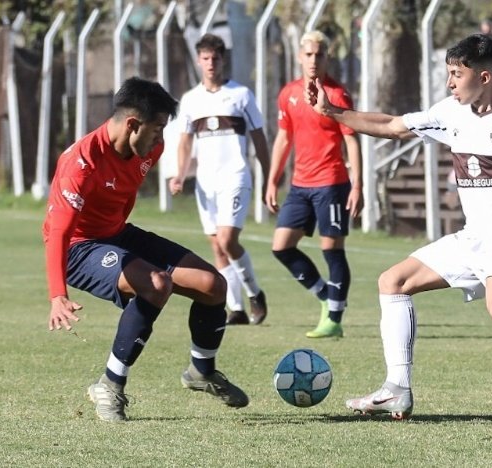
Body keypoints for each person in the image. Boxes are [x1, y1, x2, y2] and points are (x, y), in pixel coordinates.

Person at [305, 34, 492, 431]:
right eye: (448, 73)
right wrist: (332, 111)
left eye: (455, 74)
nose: (449, 82)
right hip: (475, 234)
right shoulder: (451, 111)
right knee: (392, 282)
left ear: (484, 76)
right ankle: (397, 387)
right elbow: (393, 126)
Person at [43, 77, 248, 422]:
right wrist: (56, 295)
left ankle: (201, 371)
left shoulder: (150, 149)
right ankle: (109, 385)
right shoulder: (80, 163)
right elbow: (60, 232)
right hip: (78, 248)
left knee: (214, 286)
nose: (161, 138)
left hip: (118, 234)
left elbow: (124, 193)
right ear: (133, 125)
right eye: (157, 128)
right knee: (155, 284)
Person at [265, 30, 363, 339]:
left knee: (331, 248)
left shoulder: (337, 95)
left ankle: (334, 318)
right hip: (299, 185)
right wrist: (272, 179)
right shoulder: (289, 93)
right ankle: (325, 295)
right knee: (281, 247)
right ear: (299, 56)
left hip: (331, 183)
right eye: (308, 54)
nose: (313, 60)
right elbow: (284, 138)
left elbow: (352, 140)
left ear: (326, 57)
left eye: (319, 54)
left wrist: (358, 185)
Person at [170, 33, 270, 326]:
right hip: (206, 182)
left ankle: (254, 293)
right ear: (199, 61)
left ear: (223, 59)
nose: (211, 63)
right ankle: (236, 309)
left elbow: (260, 137)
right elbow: (185, 142)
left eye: (215, 58)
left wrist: (269, 177)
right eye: (205, 58)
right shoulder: (190, 100)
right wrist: (179, 174)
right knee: (216, 246)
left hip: (235, 176)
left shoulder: (241, 95)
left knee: (228, 240)